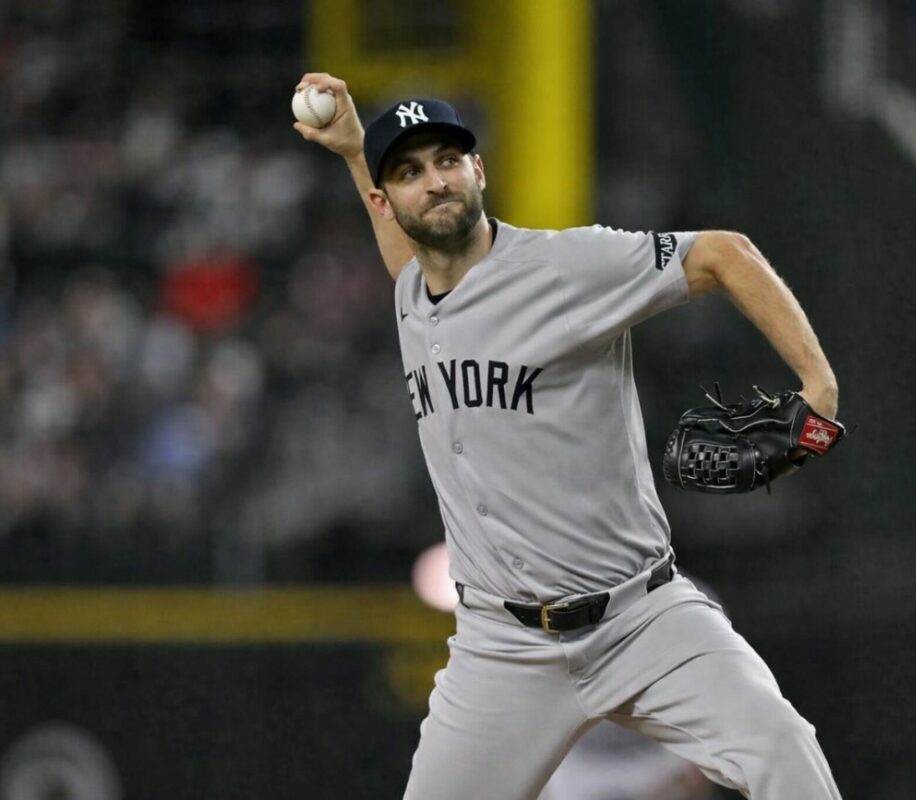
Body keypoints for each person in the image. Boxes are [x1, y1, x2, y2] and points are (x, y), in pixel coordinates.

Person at [292, 72, 843, 800]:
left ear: (478, 169)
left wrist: (819, 389)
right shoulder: (412, 296)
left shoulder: (564, 266)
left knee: (784, 752)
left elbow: (725, 253)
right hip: (502, 648)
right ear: (383, 200)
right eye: (410, 172)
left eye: (448, 161)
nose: (435, 182)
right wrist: (357, 150)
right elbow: (415, 263)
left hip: (642, 619)